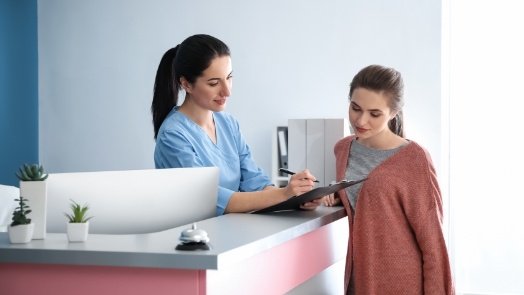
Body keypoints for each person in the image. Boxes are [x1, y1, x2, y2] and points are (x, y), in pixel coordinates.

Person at [151, 34, 320, 215]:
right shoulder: (173, 135)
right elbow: (212, 200)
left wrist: (297, 197)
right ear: (186, 84)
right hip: (195, 237)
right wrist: (284, 194)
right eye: (214, 83)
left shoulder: (228, 123)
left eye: (229, 77)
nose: (227, 91)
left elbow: (254, 182)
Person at [324, 65, 454, 294]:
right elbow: (370, 202)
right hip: (359, 282)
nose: (361, 120)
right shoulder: (342, 149)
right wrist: (334, 196)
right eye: (355, 108)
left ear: (394, 113)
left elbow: (433, 244)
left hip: (402, 285)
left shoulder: (414, 159)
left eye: (375, 114)